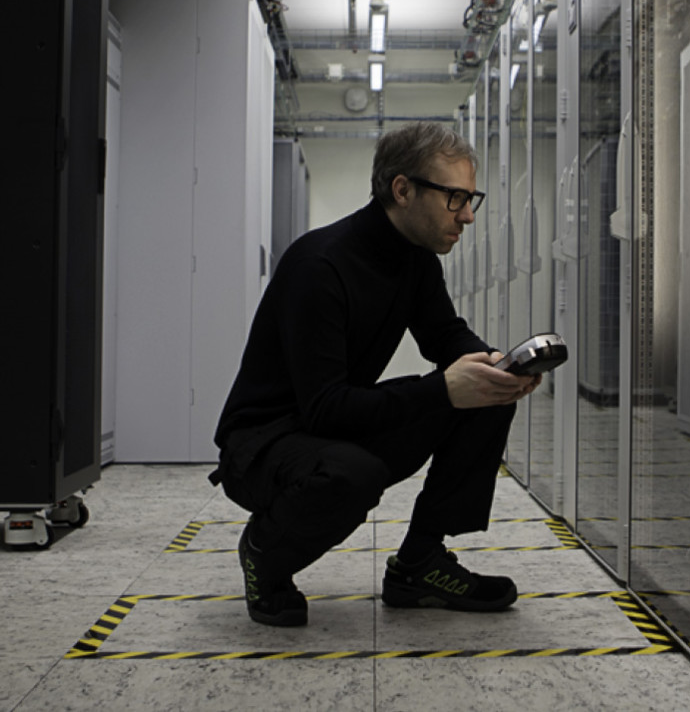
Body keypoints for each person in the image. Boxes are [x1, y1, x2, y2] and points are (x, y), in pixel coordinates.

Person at [208, 121, 542, 627]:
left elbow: (445, 335)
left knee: (485, 394)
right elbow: (323, 407)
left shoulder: (416, 261)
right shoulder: (319, 265)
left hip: (331, 423)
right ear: (402, 190)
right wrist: (443, 389)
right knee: (351, 474)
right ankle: (265, 557)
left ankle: (419, 564)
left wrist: (495, 364)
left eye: (471, 198)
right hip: (263, 445)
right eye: (455, 198)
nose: (468, 216)